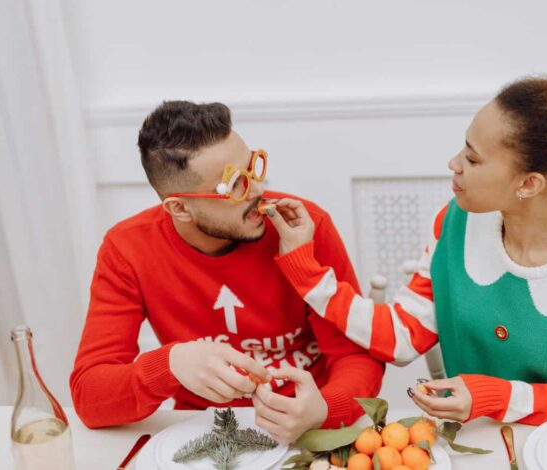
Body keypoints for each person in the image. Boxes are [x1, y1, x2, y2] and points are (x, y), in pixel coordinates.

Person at [265, 60, 547, 425]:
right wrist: (306, 269)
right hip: (470, 443)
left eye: (473, 159)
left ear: (528, 183)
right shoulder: (455, 223)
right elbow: (403, 336)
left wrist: (499, 397)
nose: (454, 164)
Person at [69, 101, 384, 442]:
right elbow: (90, 397)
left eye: (254, 168)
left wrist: (324, 408)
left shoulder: (305, 225)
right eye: (235, 185)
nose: (259, 191)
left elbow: (356, 356)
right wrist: (170, 364)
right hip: (205, 434)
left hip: (308, 431)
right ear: (180, 208)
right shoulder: (127, 249)